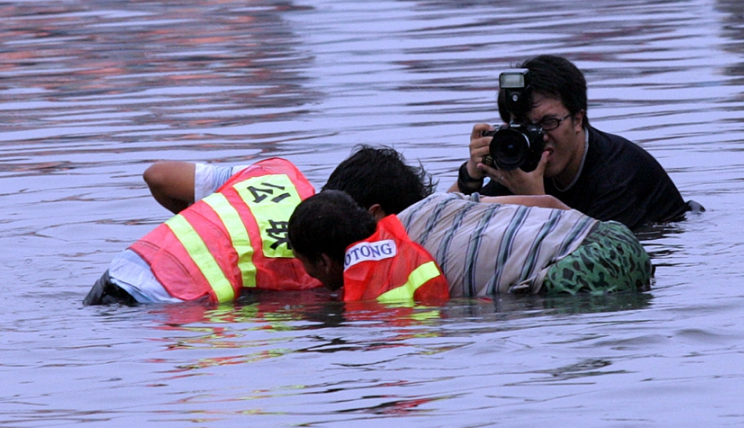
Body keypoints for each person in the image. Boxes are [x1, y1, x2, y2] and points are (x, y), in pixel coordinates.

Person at [291, 146, 653, 299]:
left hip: (579, 272)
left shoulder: (390, 278)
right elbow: (547, 203)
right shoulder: (438, 204)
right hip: (614, 236)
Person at [450, 54, 701, 230]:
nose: (540, 137)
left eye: (549, 122)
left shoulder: (618, 174)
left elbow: (601, 258)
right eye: (523, 126)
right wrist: (470, 177)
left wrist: (535, 199)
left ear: (578, 120)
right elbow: (441, 224)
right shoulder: (523, 161)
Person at [83, 157, 321, 305]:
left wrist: (206, 224)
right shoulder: (321, 262)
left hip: (122, 271)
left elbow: (157, 176)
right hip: (164, 304)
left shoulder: (274, 175)